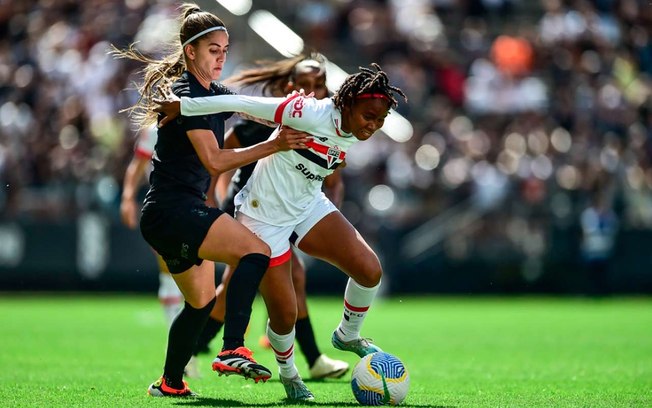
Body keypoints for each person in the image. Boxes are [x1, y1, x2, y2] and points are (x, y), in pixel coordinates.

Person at [155, 62, 407, 401]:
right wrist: (184, 106)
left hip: (307, 205)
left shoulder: (352, 127)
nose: (373, 126)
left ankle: (347, 335)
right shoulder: (306, 110)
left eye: (379, 121)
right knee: (285, 314)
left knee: (369, 270)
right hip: (263, 218)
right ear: (346, 104)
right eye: (368, 117)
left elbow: (327, 161)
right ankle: (289, 375)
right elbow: (242, 104)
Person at [111, 3, 311, 398]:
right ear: (190, 52)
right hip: (175, 210)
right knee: (256, 253)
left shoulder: (211, 94)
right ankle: (233, 346)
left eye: (224, 49)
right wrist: (274, 145)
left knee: (201, 304)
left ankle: (169, 383)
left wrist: (296, 110)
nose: (221, 57)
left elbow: (250, 109)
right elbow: (215, 161)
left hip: (167, 216)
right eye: (213, 50)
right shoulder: (186, 93)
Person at [192, 53, 350, 381]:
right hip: (251, 211)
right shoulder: (257, 124)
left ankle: (193, 350)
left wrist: (323, 215)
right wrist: (215, 199)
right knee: (244, 286)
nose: (311, 91)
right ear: (288, 87)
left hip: (291, 213)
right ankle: (192, 351)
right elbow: (220, 161)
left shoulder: (327, 128)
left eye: (318, 85)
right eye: (303, 84)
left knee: (282, 280)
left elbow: (333, 182)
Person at [119, 124, 200, 379]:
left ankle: (198, 342)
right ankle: (179, 345)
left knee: (196, 277)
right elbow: (139, 163)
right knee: (170, 270)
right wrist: (128, 197)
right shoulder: (154, 129)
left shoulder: (204, 117)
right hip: (166, 205)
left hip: (198, 202)